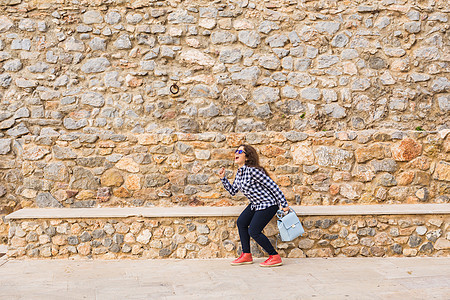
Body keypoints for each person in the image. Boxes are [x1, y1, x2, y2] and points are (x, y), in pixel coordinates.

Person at [217, 144, 290, 267]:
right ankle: (246, 255)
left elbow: (273, 186)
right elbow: (233, 191)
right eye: (236, 151)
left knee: (254, 231)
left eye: (240, 151)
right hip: (256, 204)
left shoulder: (254, 171)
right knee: (241, 222)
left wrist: (284, 204)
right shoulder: (240, 173)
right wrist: (223, 178)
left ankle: (274, 256)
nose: (236, 153)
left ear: (247, 156)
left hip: (268, 204)